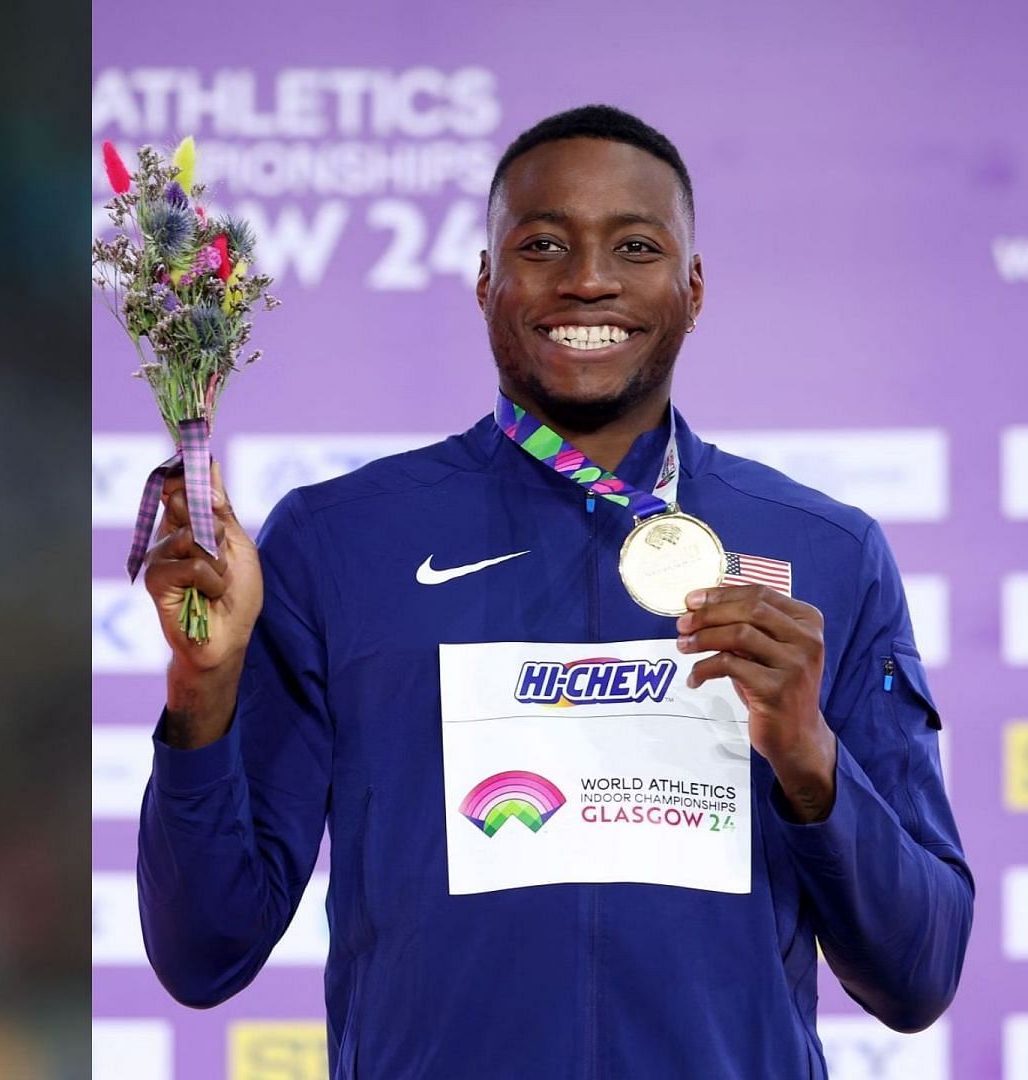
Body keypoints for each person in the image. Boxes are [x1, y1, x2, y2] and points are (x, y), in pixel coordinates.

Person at [136, 105, 971, 1078]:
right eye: (542, 243)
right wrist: (203, 685)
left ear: (694, 288)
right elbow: (204, 952)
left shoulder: (825, 553)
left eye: (635, 244)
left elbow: (921, 973)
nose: (587, 277)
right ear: (485, 282)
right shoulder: (338, 543)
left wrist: (809, 755)